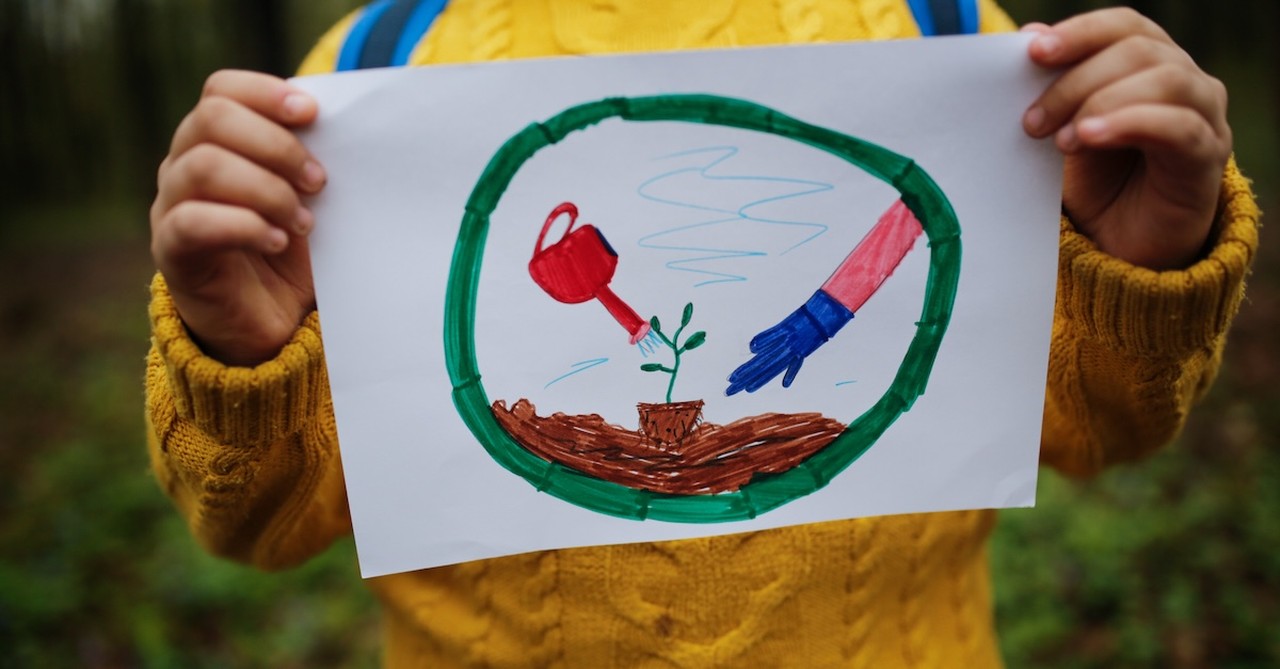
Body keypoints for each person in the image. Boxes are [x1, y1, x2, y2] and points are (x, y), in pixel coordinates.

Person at [145, 1, 1259, 666]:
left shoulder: (948, 38)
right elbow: (262, 524)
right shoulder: (358, 80)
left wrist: (1138, 265)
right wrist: (242, 354)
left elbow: (1093, 427)